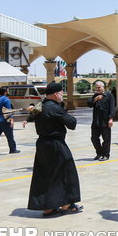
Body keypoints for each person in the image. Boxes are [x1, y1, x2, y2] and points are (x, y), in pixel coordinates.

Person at [27, 82, 82, 217]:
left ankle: (47, 208)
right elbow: (72, 123)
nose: (62, 95)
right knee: (66, 171)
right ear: (55, 94)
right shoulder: (55, 108)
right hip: (56, 144)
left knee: (45, 175)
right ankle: (67, 204)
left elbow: (32, 115)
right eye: (61, 92)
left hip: (42, 144)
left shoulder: (40, 106)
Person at [87, 81, 116, 161]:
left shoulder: (109, 95)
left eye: (99, 87)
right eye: (96, 87)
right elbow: (89, 104)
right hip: (96, 122)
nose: (97, 89)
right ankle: (99, 153)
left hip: (105, 121)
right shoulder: (95, 95)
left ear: (103, 87)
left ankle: (106, 154)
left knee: (106, 139)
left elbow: (112, 108)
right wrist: (95, 99)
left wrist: (111, 119)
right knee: (94, 138)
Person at [0, 86, 19, 154]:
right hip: (5, 120)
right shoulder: (6, 100)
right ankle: (13, 149)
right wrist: (11, 119)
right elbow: (8, 111)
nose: (8, 92)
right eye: (8, 91)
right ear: (5, 92)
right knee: (10, 136)